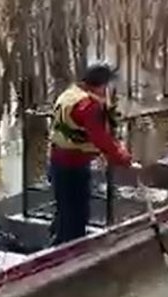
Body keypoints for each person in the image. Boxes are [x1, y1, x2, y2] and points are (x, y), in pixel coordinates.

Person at [49, 61, 135, 245]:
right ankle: (67, 255)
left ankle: (57, 242)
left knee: (64, 211)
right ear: (102, 85)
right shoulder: (89, 106)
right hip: (73, 166)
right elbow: (100, 138)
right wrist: (122, 156)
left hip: (58, 162)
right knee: (76, 217)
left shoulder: (69, 94)